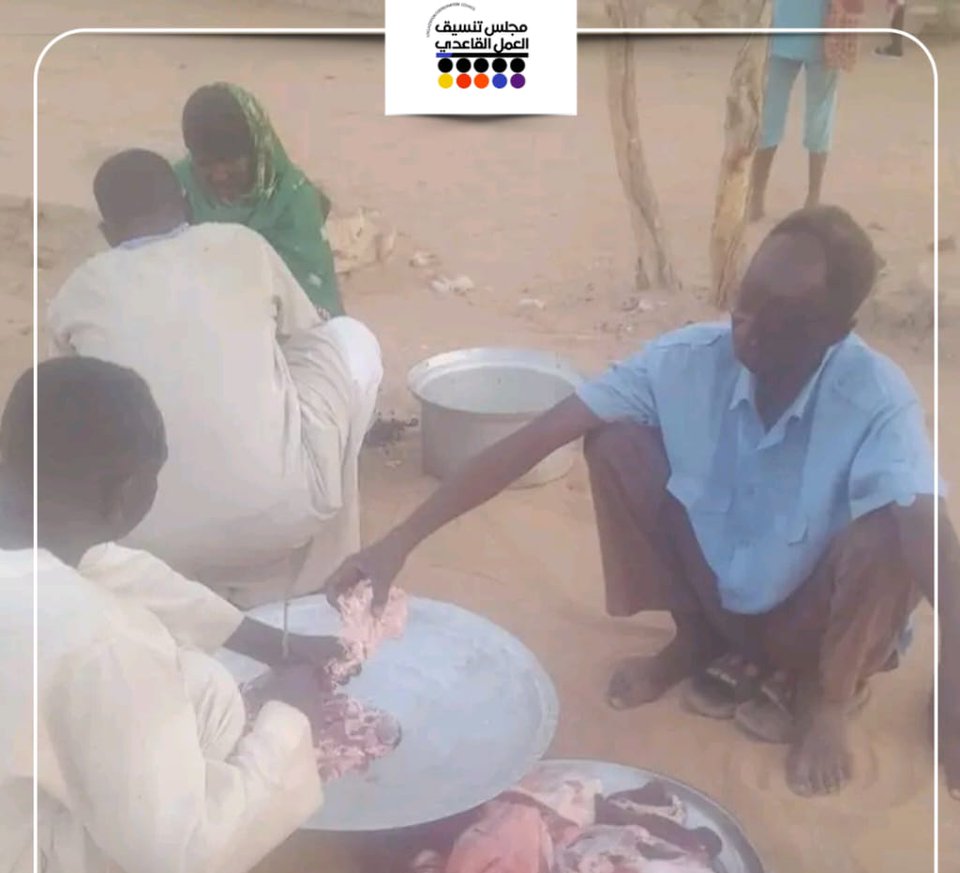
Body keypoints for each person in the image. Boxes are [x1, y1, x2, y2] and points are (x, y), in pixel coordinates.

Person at [326, 207, 960, 799]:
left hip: (817, 624)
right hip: (724, 603)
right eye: (747, 296)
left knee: (896, 522)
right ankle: (695, 643)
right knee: (618, 443)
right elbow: (536, 439)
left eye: (782, 314)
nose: (748, 322)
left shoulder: (875, 397)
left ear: (835, 333)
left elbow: (931, 531)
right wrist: (397, 542)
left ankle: (828, 697)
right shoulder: (686, 362)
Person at [0, 357, 348, 873]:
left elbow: (99, 565)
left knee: (198, 688)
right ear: (129, 496)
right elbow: (182, 856)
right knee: (158, 809)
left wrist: (266, 641)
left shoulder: (39, 551)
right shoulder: (97, 639)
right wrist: (286, 717)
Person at [48, 149, 382, 609]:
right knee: (349, 339)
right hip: (283, 517)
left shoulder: (77, 292)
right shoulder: (240, 244)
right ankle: (320, 563)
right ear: (185, 203)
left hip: (145, 545)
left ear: (107, 232)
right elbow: (309, 338)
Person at [175, 83, 343, 320]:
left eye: (229, 160)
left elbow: (311, 301)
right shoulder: (179, 188)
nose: (219, 174)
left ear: (257, 151)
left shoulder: (292, 199)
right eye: (205, 163)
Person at [750, 0, 862, 221]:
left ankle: (758, 198)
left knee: (774, 115)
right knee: (817, 115)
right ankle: (811, 198)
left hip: (802, 30)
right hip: (821, 30)